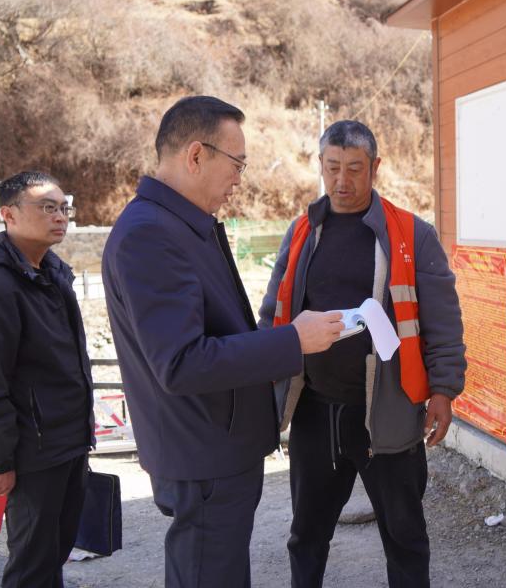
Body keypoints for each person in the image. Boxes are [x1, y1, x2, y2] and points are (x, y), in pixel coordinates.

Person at [102, 96, 343, 588]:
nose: (239, 179)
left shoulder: (179, 224)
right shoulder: (150, 235)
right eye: (237, 164)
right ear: (196, 155)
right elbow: (182, 362)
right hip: (203, 453)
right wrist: (292, 341)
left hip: (214, 446)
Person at [258, 120, 467, 588]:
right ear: (320, 164)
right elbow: (273, 312)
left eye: (354, 169)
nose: (342, 181)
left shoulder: (411, 234)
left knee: (405, 536)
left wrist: (444, 390)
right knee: (306, 536)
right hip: (315, 411)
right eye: (333, 167)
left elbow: (443, 321)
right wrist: (261, 376)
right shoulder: (302, 232)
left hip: (387, 412)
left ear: (375, 167)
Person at [0, 171, 93, 588]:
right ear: (8, 214)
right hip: (32, 453)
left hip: (68, 442)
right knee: (32, 565)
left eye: (64, 207)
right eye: (47, 207)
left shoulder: (52, 272)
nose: (60, 216)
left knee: (55, 554)